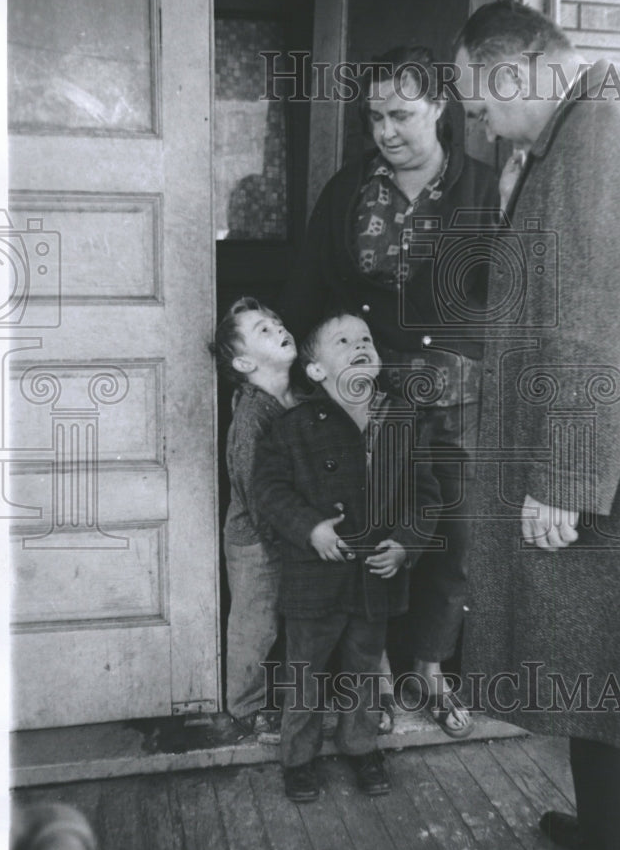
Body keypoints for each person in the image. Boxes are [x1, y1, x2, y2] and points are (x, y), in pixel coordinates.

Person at [453, 0, 620, 850]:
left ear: (512, 71)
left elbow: (603, 327)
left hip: (604, 473)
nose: (479, 123)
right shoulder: (583, 131)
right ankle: (612, 831)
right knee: (596, 662)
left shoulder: (605, 137)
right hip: (601, 464)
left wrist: (564, 476)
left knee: (615, 666)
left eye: (479, 104)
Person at [280, 45, 499, 738]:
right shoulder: (347, 190)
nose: (385, 130)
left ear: (440, 106)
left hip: (454, 395)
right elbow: (309, 288)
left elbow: (515, 301)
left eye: (401, 114)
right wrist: (294, 382)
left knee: (450, 533)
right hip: (362, 398)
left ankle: (429, 665)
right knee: (366, 528)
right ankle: (365, 675)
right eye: (374, 115)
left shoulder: (487, 190)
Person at [253, 313, 441, 802]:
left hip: (374, 579)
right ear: (315, 371)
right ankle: (298, 757)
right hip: (315, 578)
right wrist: (310, 528)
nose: (359, 345)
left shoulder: (401, 420)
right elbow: (268, 490)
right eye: (342, 341)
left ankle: (361, 746)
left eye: (366, 339)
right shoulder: (293, 427)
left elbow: (425, 497)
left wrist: (405, 544)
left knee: (362, 668)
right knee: (306, 669)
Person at [210, 296, 298, 736]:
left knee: (292, 615)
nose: (279, 328)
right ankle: (246, 704)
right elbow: (252, 487)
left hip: (289, 530)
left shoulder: (298, 397)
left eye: (277, 321)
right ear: (244, 363)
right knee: (255, 622)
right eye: (263, 330)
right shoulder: (251, 416)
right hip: (256, 540)